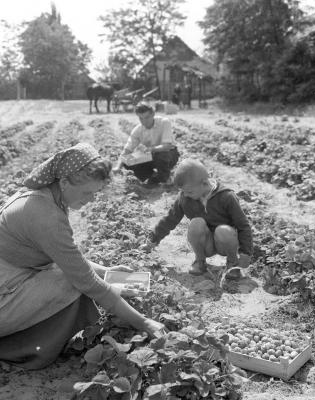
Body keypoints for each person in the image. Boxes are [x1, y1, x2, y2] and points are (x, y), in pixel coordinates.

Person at [0, 142, 164, 370]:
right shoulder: (44, 215)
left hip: (12, 280)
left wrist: (108, 273)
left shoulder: (48, 195)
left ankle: (32, 338)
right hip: (4, 295)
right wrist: (144, 322)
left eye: (95, 193)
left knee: (75, 276)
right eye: (87, 192)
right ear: (65, 182)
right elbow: (84, 279)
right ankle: (20, 349)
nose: (90, 200)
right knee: (73, 284)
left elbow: (67, 258)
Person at [145, 159, 253, 291]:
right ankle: (200, 261)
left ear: (204, 183)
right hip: (205, 243)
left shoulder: (226, 197)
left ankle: (232, 263)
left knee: (223, 230)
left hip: (225, 242)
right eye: (183, 191)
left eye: (189, 191)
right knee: (196, 223)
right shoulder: (185, 198)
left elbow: (243, 225)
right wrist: (153, 240)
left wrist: (246, 253)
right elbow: (170, 219)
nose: (185, 194)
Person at [115, 102, 180, 184]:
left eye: (147, 117)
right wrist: (118, 167)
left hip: (169, 154)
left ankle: (166, 180)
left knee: (161, 155)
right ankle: (153, 176)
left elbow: (167, 146)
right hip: (150, 156)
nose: (144, 121)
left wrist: (151, 149)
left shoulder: (164, 122)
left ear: (153, 114)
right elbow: (127, 150)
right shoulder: (138, 130)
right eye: (141, 118)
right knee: (127, 162)